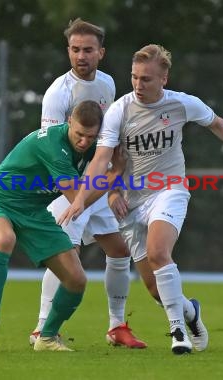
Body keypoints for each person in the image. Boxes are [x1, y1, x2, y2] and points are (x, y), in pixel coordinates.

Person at [58, 44, 223, 354]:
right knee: (155, 288)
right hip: (131, 202)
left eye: (146, 79)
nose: (138, 85)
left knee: (159, 252)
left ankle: (178, 332)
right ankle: (190, 312)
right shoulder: (120, 110)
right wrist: (84, 198)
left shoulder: (182, 104)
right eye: (134, 78)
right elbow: (104, 158)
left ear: (164, 79)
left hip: (168, 190)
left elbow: (218, 124)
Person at [0, 100, 124, 351]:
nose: (84, 142)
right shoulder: (53, 146)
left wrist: (113, 184)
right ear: (69, 122)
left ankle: (47, 338)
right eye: (79, 134)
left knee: (76, 280)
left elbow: (98, 176)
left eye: (90, 136)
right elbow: (77, 199)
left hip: (35, 212)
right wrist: (113, 177)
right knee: (4, 239)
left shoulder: (95, 146)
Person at [30, 18, 146, 349]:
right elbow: (50, 150)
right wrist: (77, 196)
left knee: (120, 249)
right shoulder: (57, 94)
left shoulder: (108, 84)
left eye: (88, 50)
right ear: (68, 51)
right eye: (75, 49)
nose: (81, 56)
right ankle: (41, 328)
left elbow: (105, 143)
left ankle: (116, 326)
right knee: (66, 255)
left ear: (101, 53)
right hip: (67, 186)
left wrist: (110, 188)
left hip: (96, 185)